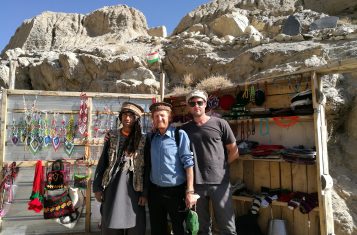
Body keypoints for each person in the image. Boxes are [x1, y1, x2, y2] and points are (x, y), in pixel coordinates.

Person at [181, 90, 239, 235]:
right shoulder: (184, 130)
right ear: (188, 106)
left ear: (205, 104)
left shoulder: (220, 124)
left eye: (200, 102)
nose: (196, 106)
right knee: (200, 228)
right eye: (192, 103)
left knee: (227, 227)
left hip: (220, 184)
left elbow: (234, 152)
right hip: (196, 186)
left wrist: (221, 167)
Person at [93, 101, 147, 235]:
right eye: (124, 115)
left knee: (135, 225)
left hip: (135, 188)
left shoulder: (144, 139)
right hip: (112, 186)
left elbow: (147, 167)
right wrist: (97, 188)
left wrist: (145, 193)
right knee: (111, 222)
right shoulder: (112, 136)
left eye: (131, 115)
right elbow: (103, 162)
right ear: (120, 117)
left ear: (136, 119)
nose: (127, 118)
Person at [145, 102, 197, 235]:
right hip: (155, 192)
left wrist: (190, 191)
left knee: (178, 228)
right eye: (156, 116)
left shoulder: (179, 135)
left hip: (176, 193)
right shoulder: (151, 138)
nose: (159, 119)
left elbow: (188, 163)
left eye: (162, 115)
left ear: (169, 117)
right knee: (157, 228)